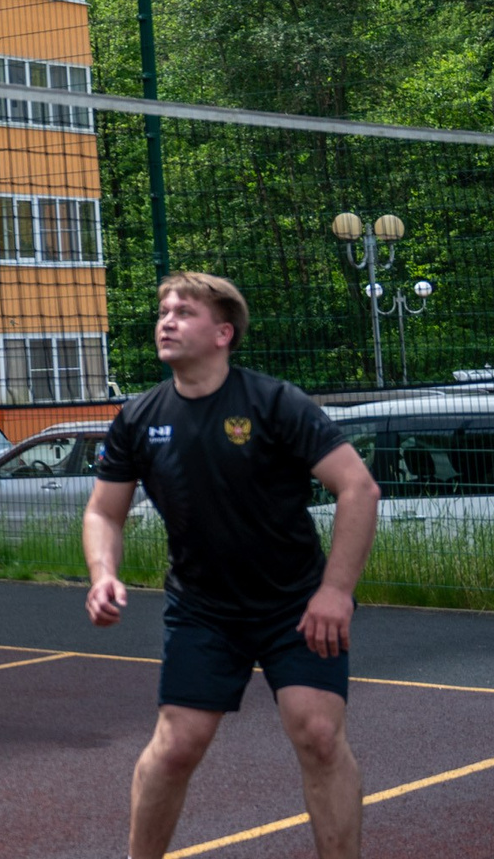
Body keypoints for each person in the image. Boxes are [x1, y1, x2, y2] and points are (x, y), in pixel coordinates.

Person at [85, 273, 381, 859]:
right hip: (204, 609)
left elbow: (359, 488)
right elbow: (103, 512)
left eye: (184, 312)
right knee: (175, 746)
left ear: (223, 332)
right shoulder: (139, 418)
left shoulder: (274, 403)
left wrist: (336, 592)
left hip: (296, 604)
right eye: (163, 310)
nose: (167, 320)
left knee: (319, 734)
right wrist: (103, 574)